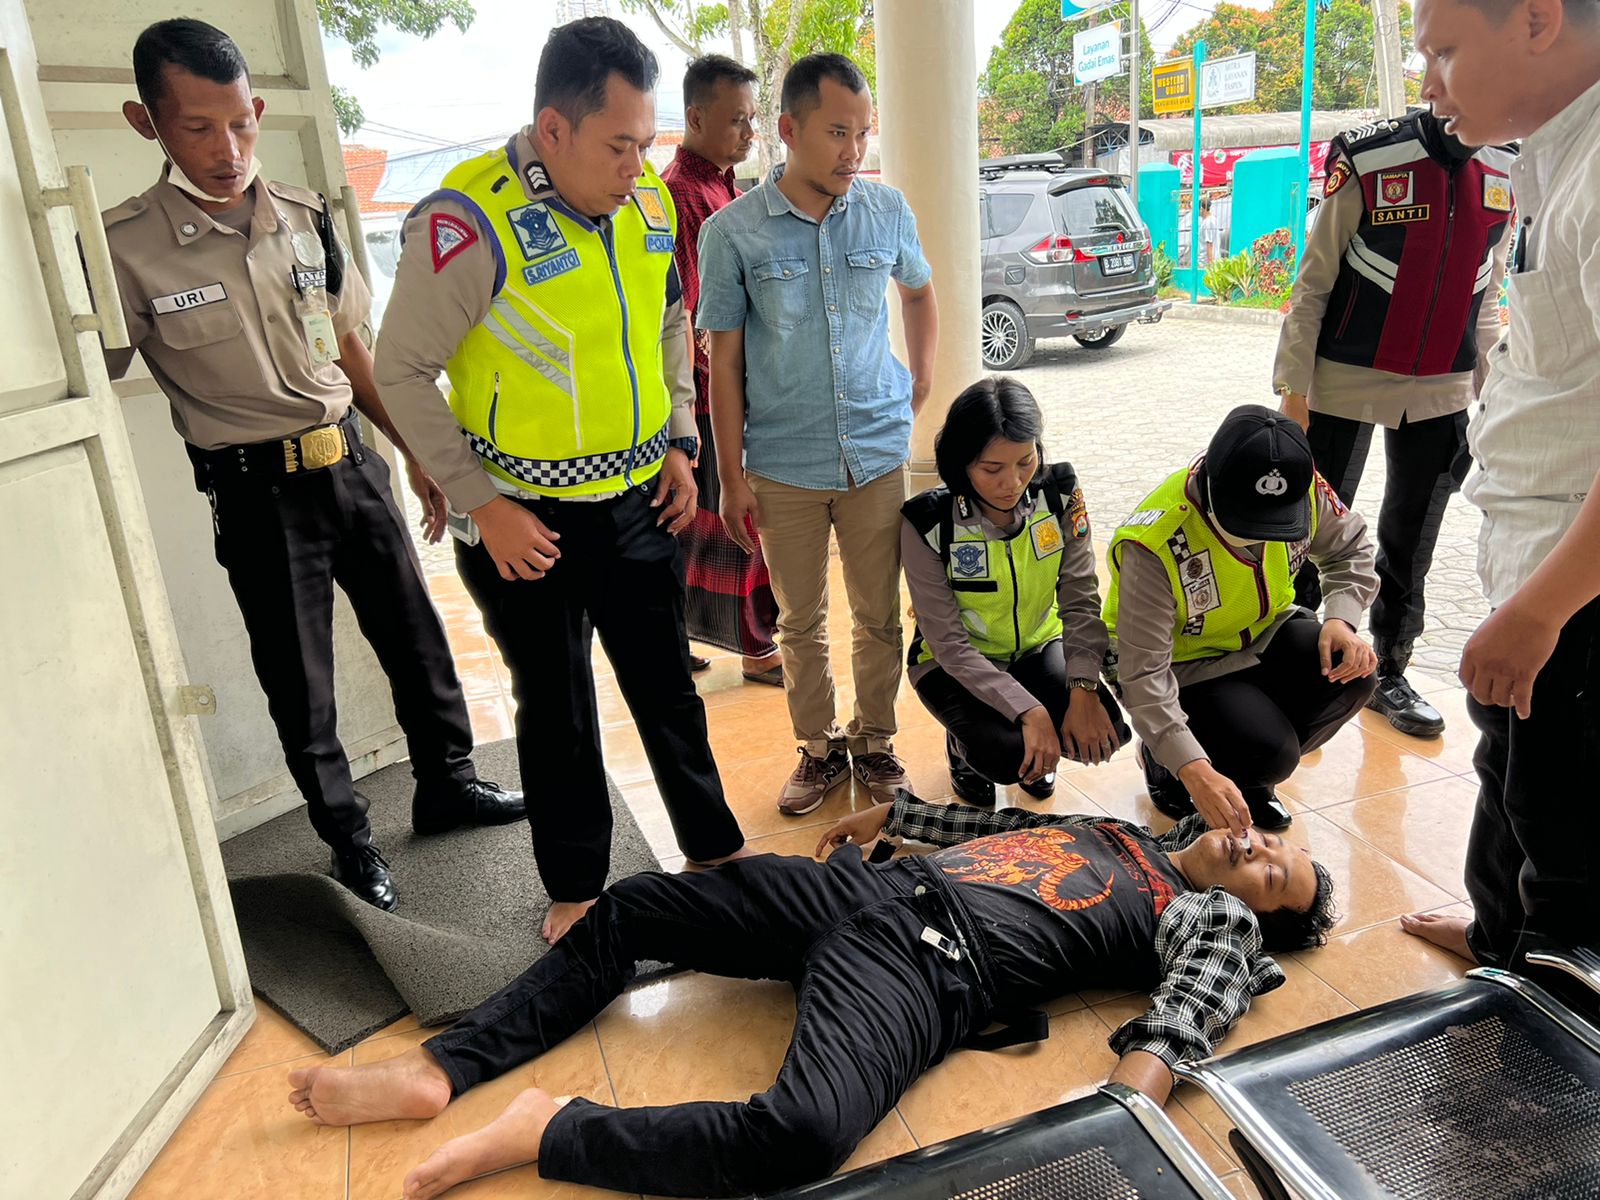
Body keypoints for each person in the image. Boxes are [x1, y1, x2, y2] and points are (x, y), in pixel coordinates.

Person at [284, 789, 1338, 1199]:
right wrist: (896, 811)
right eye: (1270, 843)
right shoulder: (1118, 832)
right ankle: (444, 1067)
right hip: (859, 887)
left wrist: (1131, 1099)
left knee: (804, 1131)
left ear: (1260, 914)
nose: (1254, 849)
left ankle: (549, 1131)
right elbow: (993, 832)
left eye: (1270, 874)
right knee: (641, 902)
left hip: (925, 966)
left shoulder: (1205, 917)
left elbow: (1197, 997)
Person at [101, 19, 523, 912]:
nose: (227, 149)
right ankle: (350, 840)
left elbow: (351, 351)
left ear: (257, 110)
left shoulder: (302, 217)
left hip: (352, 464)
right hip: (256, 494)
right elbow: (93, 388)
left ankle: (449, 785)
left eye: (241, 124)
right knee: (301, 680)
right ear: (148, 124)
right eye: (197, 129)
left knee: (418, 638)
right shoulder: (124, 249)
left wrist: (417, 455)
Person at [372, 17, 749, 945]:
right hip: (522, 518)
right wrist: (480, 502)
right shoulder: (468, 222)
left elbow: (669, 323)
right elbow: (400, 372)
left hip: (635, 498)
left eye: (645, 142)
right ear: (553, 130)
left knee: (666, 685)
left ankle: (713, 850)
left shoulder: (648, 209)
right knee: (559, 706)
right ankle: (577, 886)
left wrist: (679, 436)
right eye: (618, 145)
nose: (636, 166)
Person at [1399, 0, 1600, 984]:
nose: (1427, 79)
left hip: (1577, 595)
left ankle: (1538, 1028)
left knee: (1569, 852)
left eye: (1442, 49)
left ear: (1532, 18)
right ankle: (1494, 939)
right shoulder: (1547, 155)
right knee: (1507, 770)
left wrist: (1540, 612)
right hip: (1537, 559)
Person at [698, 53, 940, 816]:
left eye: (862, 134)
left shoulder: (886, 210)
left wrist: (919, 378)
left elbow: (920, 291)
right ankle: (816, 749)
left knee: (877, 613)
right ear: (789, 129)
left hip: (874, 452)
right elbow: (725, 362)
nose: (852, 151)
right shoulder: (731, 233)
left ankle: (874, 742)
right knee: (799, 622)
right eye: (838, 132)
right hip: (783, 464)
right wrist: (732, 475)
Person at [1275, 108, 1516, 740]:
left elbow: (1486, 298)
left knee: (1410, 539)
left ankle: (1390, 671)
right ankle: (1298, 663)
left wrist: (1491, 400)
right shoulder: (1368, 157)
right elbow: (1313, 284)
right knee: (1314, 532)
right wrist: (1293, 392)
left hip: (1443, 388)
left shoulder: (1506, 167)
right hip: (1344, 379)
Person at [1104, 406, 1381, 834]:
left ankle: (1243, 777)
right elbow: (1143, 676)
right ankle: (1169, 765)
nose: (1261, 536)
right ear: (1209, 483)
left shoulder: (1300, 485)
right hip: (1183, 667)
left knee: (1352, 675)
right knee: (1271, 750)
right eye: (1246, 521)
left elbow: (1351, 547)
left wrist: (1341, 619)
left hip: (1261, 633)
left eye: (1275, 523)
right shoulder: (1155, 542)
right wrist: (1192, 767)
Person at [902, 377, 1130, 807]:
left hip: (1038, 645)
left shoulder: (1060, 493)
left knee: (1105, 730)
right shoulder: (928, 521)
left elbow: (1080, 599)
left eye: (1025, 462)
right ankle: (961, 747)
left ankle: (1039, 755)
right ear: (961, 461)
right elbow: (948, 644)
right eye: (993, 469)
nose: (1013, 482)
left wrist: (1082, 687)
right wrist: (1030, 710)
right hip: (954, 662)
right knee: (1005, 755)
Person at [660, 54, 783, 686]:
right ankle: (760, 650)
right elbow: (690, 313)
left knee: (699, 525)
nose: (748, 133)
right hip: (710, 394)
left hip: (728, 387)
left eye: (752, 120)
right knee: (731, 519)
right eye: (736, 121)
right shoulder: (680, 193)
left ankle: (679, 639)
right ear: (695, 117)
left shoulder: (723, 186)